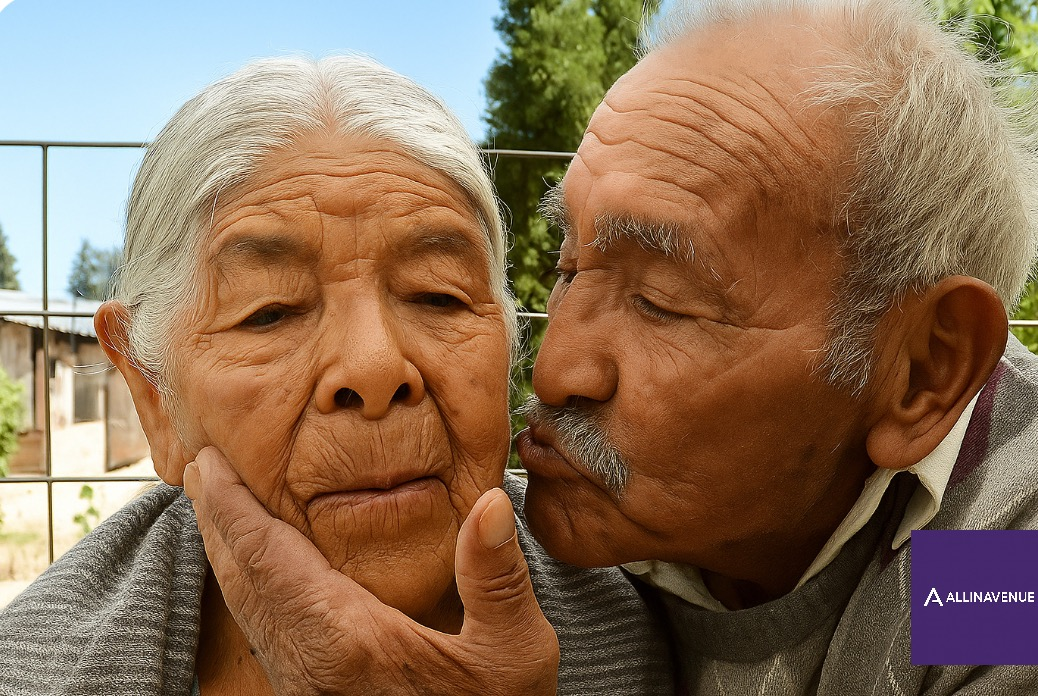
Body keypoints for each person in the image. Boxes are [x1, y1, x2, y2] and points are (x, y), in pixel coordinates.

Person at [181, 0, 1038, 694]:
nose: (552, 371)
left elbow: (939, 614)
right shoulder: (603, 522)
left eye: (664, 301)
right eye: (564, 267)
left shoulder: (1006, 565)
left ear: (922, 371)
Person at [0, 55, 674, 696]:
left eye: (438, 295)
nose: (374, 368)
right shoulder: (33, 669)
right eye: (269, 313)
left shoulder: (658, 618)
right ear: (152, 389)